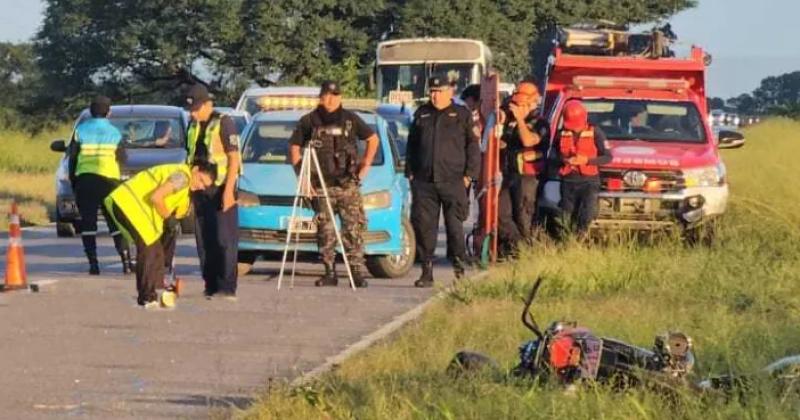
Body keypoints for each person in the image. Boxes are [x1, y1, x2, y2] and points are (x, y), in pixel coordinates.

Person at [289, 81, 379, 288]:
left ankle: (355, 271)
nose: (330, 99)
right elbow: (294, 148)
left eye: (335, 95)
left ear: (340, 97)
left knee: (353, 229)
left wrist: (365, 166)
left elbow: (372, 139)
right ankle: (329, 271)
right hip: (321, 186)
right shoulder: (309, 121)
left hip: (347, 185)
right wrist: (302, 179)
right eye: (327, 95)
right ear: (320, 97)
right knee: (325, 231)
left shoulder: (350, 120)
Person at [104, 162, 217, 308]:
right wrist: (168, 217)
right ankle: (147, 297)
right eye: (201, 180)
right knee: (149, 250)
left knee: (156, 251)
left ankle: (157, 290)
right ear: (195, 169)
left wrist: (172, 222)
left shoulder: (185, 192)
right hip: (128, 204)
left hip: (132, 208)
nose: (201, 186)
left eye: (205, 186)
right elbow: (157, 197)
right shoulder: (182, 177)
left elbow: (173, 220)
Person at [405, 76, 481, 287]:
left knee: (455, 227)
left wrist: (469, 176)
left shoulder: (461, 115)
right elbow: (412, 145)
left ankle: (458, 268)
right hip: (425, 182)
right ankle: (426, 271)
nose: (435, 95)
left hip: (453, 181)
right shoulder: (422, 113)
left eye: (439, 91)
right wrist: (411, 173)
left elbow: (473, 148)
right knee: (424, 227)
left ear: (450, 92)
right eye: (432, 91)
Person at [184, 84, 241, 300]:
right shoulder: (192, 126)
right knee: (204, 240)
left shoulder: (224, 123)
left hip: (220, 188)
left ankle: (227, 287)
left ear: (208, 104)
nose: (193, 113)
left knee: (225, 240)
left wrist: (228, 192)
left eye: (197, 108)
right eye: (191, 109)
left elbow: (234, 159)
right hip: (199, 189)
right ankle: (210, 284)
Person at [68, 95, 133, 275]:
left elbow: (72, 158)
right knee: (115, 223)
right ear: (109, 112)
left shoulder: (80, 130)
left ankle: (93, 265)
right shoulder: (115, 133)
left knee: (88, 224)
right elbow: (123, 159)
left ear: (90, 111)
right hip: (109, 181)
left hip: (86, 180)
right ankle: (126, 262)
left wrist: (74, 182)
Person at [496, 81, 550, 255]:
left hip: (528, 179)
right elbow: (504, 142)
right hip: (509, 174)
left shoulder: (540, 123)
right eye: (516, 104)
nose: (517, 108)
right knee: (501, 214)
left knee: (523, 218)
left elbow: (528, 141)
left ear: (533, 103)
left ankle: (526, 253)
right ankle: (520, 249)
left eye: (522, 105)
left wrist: (519, 119)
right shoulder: (510, 121)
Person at [554, 100, 612, 236]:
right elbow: (554, 156)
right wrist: (564, 160)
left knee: (587, 213)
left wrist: (586, 161)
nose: (573, 128)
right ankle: (567, 242)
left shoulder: (596, 133)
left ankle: (581, 237)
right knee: (566, 216)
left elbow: (608, 157)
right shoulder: (561, 134)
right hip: (568, 181)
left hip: (589, 181)